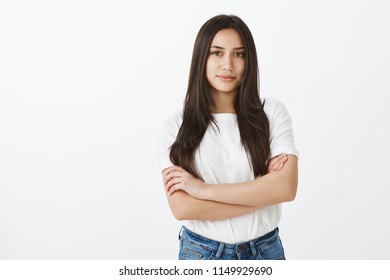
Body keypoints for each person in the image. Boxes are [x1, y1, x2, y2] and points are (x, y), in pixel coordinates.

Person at [160, 14, 299, 260]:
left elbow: (285, 188)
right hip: (200, 253)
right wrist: (263, 193)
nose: (228, 65)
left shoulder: (272, 112)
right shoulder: (178, 124)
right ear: (201, 57)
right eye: (217, 53)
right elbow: (183, 208)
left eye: (239, 54)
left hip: (264, 252)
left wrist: (203, 190)